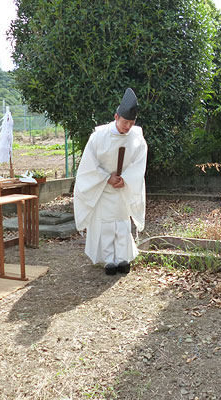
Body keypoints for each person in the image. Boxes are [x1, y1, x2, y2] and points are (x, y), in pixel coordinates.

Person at [73, 88, 148, 275]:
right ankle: (109, 261)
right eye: (125, 122)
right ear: (116, 116)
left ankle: (123, 259)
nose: (128, 126)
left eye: (131, 123)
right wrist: (107, 178)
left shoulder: (137, 138)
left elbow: (139, 163)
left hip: (123, 188)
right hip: (104, 189)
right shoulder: (98, 136)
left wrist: (126, 179)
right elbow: (89, 165)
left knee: (122, 224)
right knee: (106, 225)